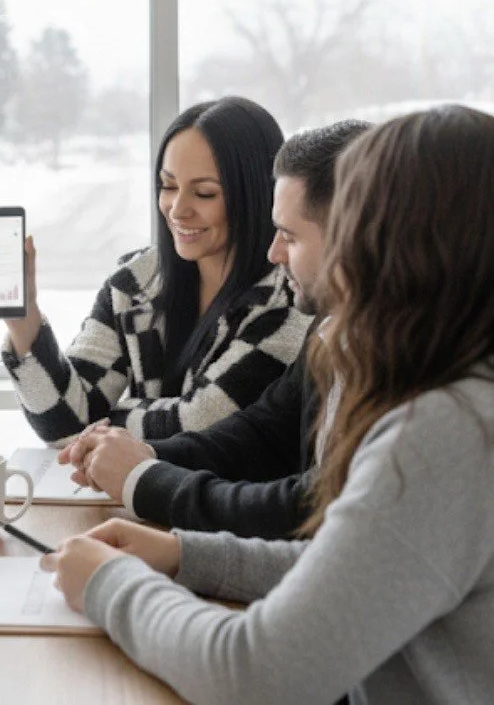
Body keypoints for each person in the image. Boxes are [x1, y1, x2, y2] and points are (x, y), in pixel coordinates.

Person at [44, 104, 494, 704]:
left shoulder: (447, 431)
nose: (279, 255)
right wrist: (185, 554)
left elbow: (253, 674)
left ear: (400, 248)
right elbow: (350, 568)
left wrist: (111, 585)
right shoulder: (446, 391)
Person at [59, 120, 370, 538]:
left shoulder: (408, 362)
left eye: (289, 237)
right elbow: (262, 432)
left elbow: (312, 507)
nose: (274, 253)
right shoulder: (335, 329)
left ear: (352, 237)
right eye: (168, 186)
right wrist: (147, 452)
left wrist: (141, 477)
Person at [0, 97, 311, 443]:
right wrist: (23, 318)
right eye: (168, 186)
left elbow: (202, 424)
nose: (178, 210)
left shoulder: (290, 302)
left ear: (257, 194)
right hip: (136, 492)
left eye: (204, 193)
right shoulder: (135, 283)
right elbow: (63, 419)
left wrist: (96, 422)